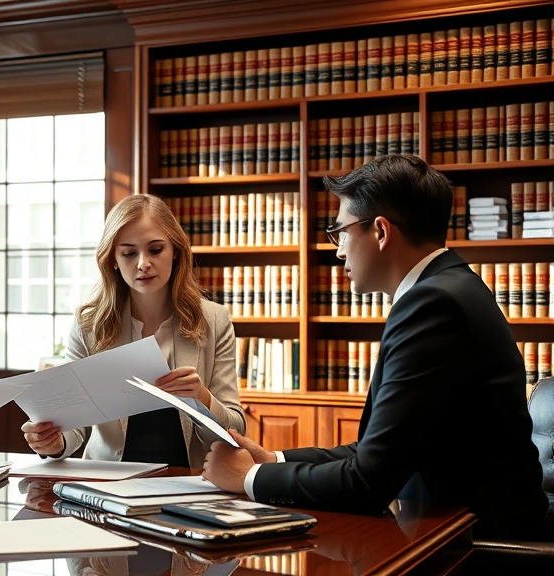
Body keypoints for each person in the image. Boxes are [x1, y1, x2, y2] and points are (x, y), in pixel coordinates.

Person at [202, 154, 551, 540]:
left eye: (341, 232)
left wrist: (249, 477)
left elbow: (369, 481)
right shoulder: (451, 287)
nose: (338, 251)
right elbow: (375, 451)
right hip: (459, 529)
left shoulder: (432, 305)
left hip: (478, 547)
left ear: (381, 232)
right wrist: (274, 459)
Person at [22, 194, 245, 469]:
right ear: (113, 259)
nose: (143, 263)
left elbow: (236, 432)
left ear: (175, 250)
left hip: (192, 483)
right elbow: (72, 427)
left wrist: (202, 397)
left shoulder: (214, 320)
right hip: (107, 484)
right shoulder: (89, 325)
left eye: (155, 250)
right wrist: (53, 444)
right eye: (129, 253)